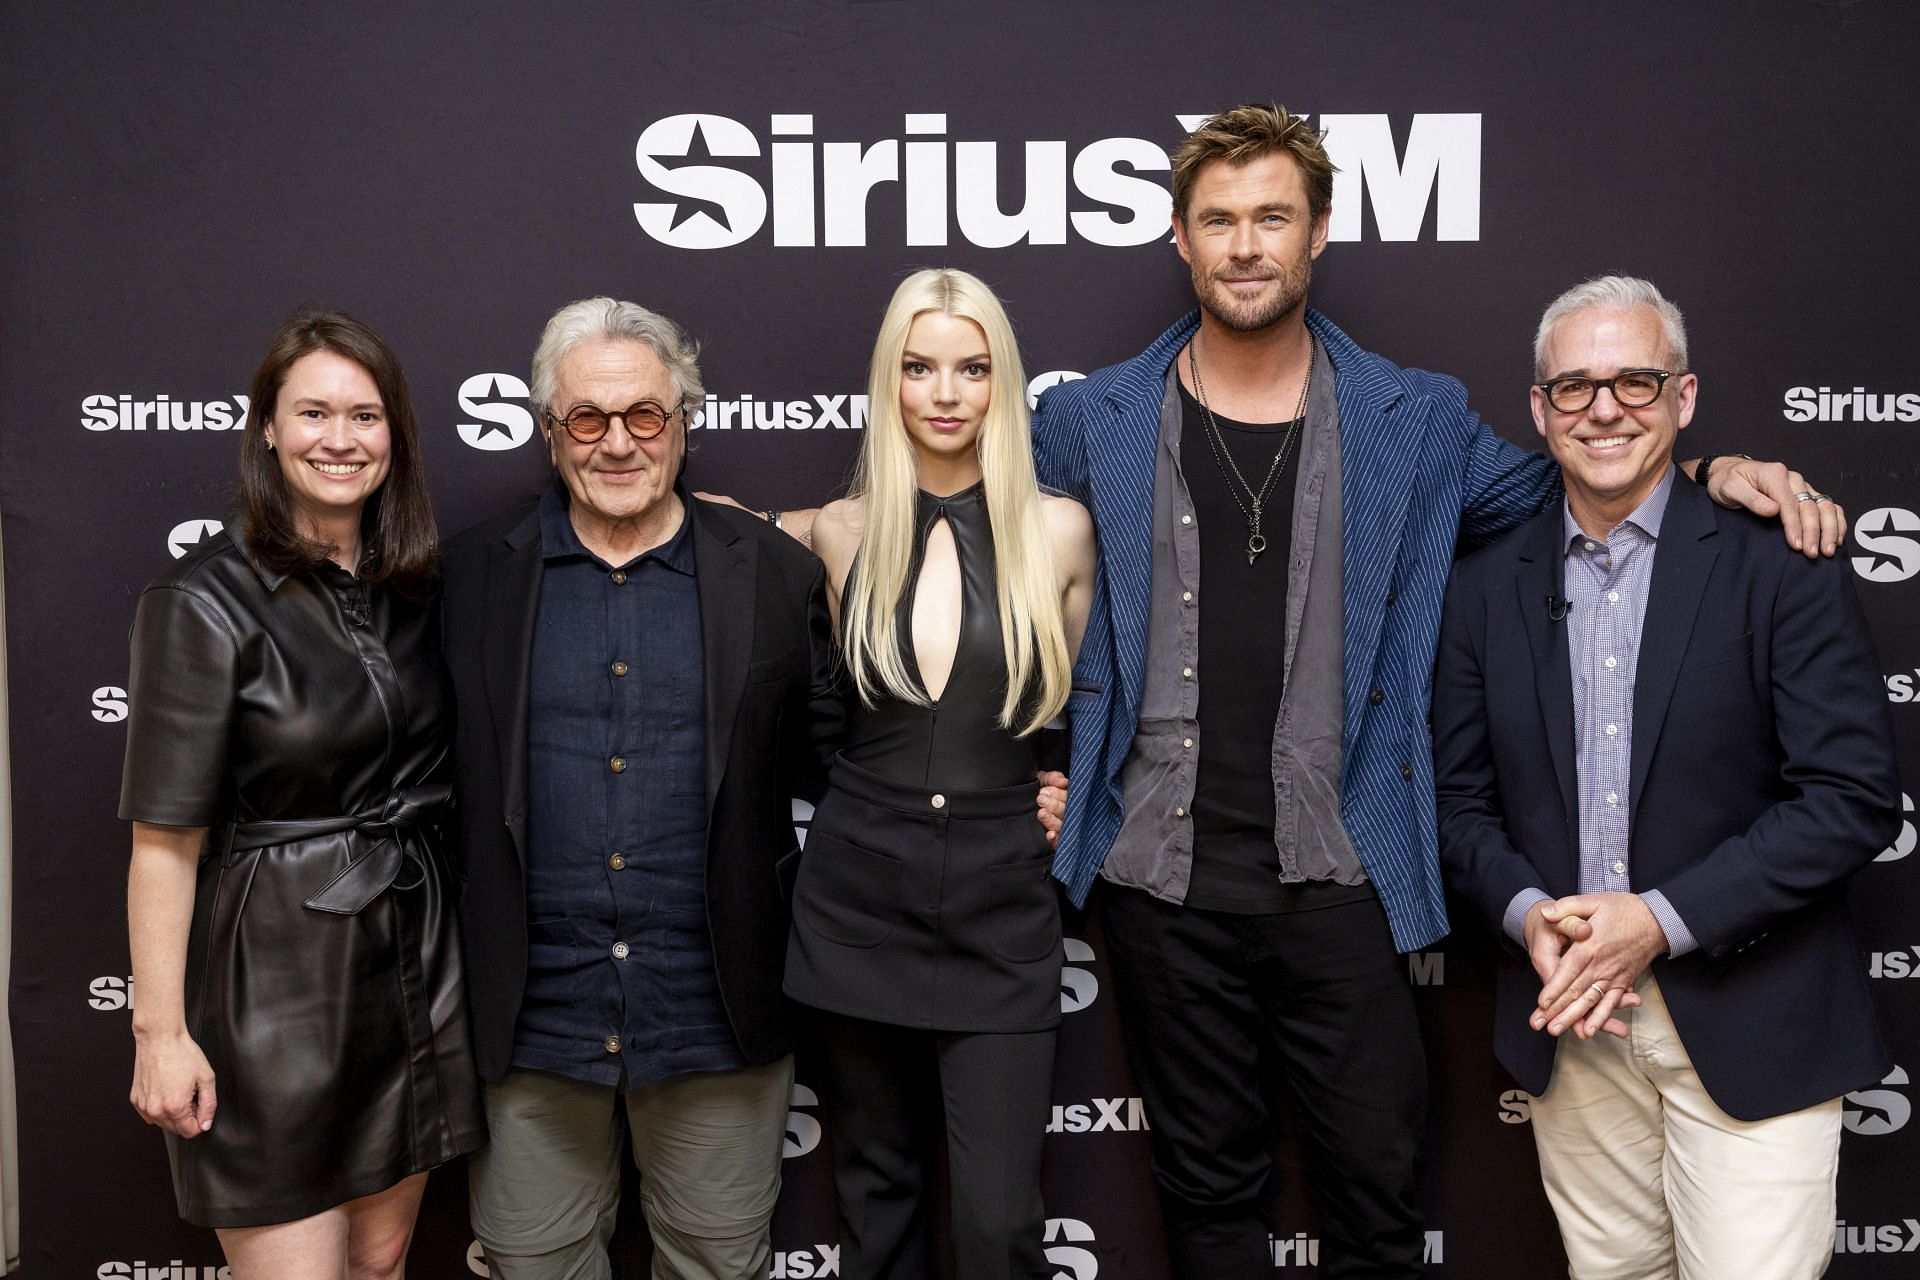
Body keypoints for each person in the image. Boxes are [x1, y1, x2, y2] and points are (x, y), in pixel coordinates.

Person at [1024, 105, 1850, 1279]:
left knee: (1375, 1199)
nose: (1246, 245)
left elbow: (1592, 476)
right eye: (1219, 221)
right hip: (1157, 874)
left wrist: (1713, 468)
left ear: (1317, 235)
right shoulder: (1083, 418)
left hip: (1354, 867)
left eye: (1273, 217)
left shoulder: (1418, 418)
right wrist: (1047, 766)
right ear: (1180, 240)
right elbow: (990, 568)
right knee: (1204, 1195)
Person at [1432, 276, 1896, 1279]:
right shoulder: (1482, 585)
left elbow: (1851, 797)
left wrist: (1660, 916)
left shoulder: (1782, 559)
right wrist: (1527, 913)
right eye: (1576, 386)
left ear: (1683, 398)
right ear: (1538, 407)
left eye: (1636, 381)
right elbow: (1455, 804)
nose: (1605, 408)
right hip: (1574, 1030)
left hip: (1754, 1018)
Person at [439, 296, 846, 1280]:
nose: (617, 442)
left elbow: (848, 761)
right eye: (588, 417)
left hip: (716, 1016)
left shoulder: (777, 577)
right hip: (534, 1019)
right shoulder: (466, 579)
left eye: (644, 415)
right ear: (549, 431)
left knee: (716, 1262)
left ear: (684, 420)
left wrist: (1021, 782)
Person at [120, 309, 485, 1278]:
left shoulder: (414, 587)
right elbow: (164, 841)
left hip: (412, 967)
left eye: (364, 416)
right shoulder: (201, 599)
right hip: (273, 988)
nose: (339, 438)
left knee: (382, 1260)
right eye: (313, 412)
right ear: (269, 430)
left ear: (394, 436)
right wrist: (159, 1033)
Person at [782, 268, 1095, 1280]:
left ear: (1003, 381)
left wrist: (1065, 795)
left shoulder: (1060, 530)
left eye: (972, 367)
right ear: (891, 382)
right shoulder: (836, 528)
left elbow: (1093, 710)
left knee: (1000, 1226)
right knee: (880, 1211)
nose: (946, 392)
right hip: (856, 898)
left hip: (1001, 907)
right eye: (919, 368)